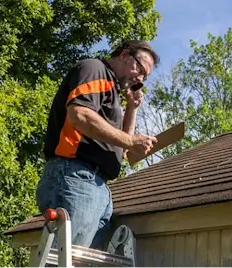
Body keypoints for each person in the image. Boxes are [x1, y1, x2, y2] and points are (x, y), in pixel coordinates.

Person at [35, 40, 160, 250]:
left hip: (97, 186)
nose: (140, 77)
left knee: (78, 261)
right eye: (140, 68)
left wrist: (132, 109)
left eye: (144, 77)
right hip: (76, 175)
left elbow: (122, 149)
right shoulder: (94, 69)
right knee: (66, 259)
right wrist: (130, 140)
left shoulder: (112, 92)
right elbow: (79, 115)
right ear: (124, 54)